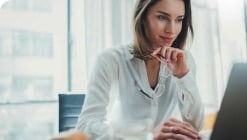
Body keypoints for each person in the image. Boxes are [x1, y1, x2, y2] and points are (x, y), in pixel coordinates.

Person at [76, 0, 205, 139]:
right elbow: (85, 126)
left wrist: (183, 76)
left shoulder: (184, 60)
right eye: (162, 17)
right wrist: (146, 137)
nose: (172, 30)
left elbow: (195, 125)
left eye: (179, 20)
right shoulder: (110, 60)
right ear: (142, 17)